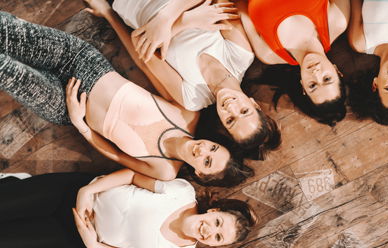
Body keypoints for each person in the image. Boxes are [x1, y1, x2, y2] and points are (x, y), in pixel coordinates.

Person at [0, 10, 249, 185]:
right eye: (213, 148)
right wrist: (109, 13)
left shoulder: (165, 171)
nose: (203, 150)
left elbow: (116, 155)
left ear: (201, 174)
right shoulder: (188, 113)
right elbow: (145, 66)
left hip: (66, 107)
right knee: (7, 30)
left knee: (6, 71)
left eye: (207, 161)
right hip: (81, 61)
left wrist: (80, 124)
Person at [90, 0, 281, 160]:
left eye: (230, 120)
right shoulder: (241, 55)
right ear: (254, 104)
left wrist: (185, 22)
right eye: (244, 111)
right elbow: (218, 2)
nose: (230, 107)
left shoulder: (192, 98)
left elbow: (141, 48)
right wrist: (167, 24)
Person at [0, 169, 257, 248]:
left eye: (218, 237)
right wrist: (88, 190)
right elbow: (133, 177)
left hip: (75, 233)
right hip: (75, 192)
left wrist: (94, 245)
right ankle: (14, 185)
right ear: (214, 211)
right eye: (217, 223)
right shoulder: (183, 193)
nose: (210, 231)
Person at [237, 0, 351, 126]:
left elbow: (239, 7)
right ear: (337, 71)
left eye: (312, 85)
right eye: (327, 78)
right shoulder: (338, 21)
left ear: (303, 85)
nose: (316, 73)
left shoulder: (268, 54)